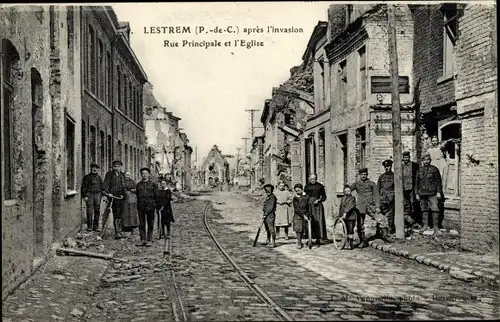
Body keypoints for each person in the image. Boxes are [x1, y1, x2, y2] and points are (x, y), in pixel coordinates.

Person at [350, 168, 392, 247]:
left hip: (370, 206)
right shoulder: (356, 184)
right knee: (360, 224)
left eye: (365, 174)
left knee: (382, 219)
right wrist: (352, 200)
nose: (363, 176)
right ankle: (363, 240)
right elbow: (347, 190)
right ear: (359, 175)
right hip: (360, 206)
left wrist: (377, 206)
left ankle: (385, 237)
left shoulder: (372, 184)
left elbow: (376, 196)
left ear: (367, 175)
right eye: (362, 174)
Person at [415, 153, 443, 236]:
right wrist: (417, 193)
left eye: (428, 160)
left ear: (430, 160)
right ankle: (425, 226)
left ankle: (436, 227)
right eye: (424, 160)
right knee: (424, 209)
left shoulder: (434, 169)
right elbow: (416, 183)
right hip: (422, 193)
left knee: (435, 208)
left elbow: (438, 182)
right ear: (422, 161)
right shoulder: (419, 170)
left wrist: (438, 192)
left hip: (432, 193)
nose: (426, 161)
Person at [102, 160, 127, 239]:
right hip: (113, 197)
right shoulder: (109, 174)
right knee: (115, 213)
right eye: (115, 166)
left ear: (121, 167)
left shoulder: (122, 175)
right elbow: (106, 184)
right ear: (113, 167)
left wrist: (123, 194)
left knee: (121, 214)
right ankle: (117, 232)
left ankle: (120, 231)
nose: (117, 168)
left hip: (121, 197)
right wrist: (108, 193)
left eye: (118, 166)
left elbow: (124, 186)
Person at [136, 167, 158, 247]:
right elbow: (138, 196)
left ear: (148, 174)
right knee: (141, 224)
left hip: (150, 206)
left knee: (150, 223)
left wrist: (156, 206)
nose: (144, 175)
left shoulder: (153, 184)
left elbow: (156, 196)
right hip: (141, 207)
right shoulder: (138, 185)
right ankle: (143, 240)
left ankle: (149, 239)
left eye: (146, 173)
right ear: (141, 175)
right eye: (143, 173)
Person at [304, 174, 327, 246]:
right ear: (309, 179)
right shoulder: (306, 186)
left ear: (316, 179)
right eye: (311, 179)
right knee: (309, 221)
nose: (313, 180)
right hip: (309, 205)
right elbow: (304, 195)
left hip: (317, 206)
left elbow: (324, 197)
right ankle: (309, 237)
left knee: (319, 221)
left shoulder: (320, 186)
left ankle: (319, 238)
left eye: (314, 179)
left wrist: (319, 200)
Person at [81, 163, 103, 232]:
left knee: (97, 210)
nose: (95, 169)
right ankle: (89, 226)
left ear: (98, 169)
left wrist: (101, 195)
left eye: (96, 168)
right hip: (90, 195)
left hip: (97, 195)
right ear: (91, 168)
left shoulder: (99, 178)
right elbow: (83, 187)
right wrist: (84, 195)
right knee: (89, 211)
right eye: (93, 168)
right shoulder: (87, 177)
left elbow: (102, 187)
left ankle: (96, 227)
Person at [402, 151, 421, 228]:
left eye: (407, 157)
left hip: (412, 188)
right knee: (406, 206)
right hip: (404, 189)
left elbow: (418, 177)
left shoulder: (414, 165)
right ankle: (408, 222)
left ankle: (416, 221)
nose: (406, 159)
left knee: (414, 204)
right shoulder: (401, 166)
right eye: (405, 157)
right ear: (403, 158)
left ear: (409, 157)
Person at [378, 159, 396, 234]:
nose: (386, 168)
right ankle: (379, 231)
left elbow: (397, 188)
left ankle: (390, 230)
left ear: (391, 166)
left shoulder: (394, 176)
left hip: (390, 199)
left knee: (390, 216)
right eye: (385, 167)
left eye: (388, 166)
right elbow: (378, 188)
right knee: (380, 216)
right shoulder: (381, 177)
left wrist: (393, 195)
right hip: (382, 199)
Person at [292, 183, 311, 249]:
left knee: (305, 228)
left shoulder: (306, 197)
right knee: (298, 229)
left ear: (302, 190)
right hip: (298, 215)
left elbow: (308, 205)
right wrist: (303, 215)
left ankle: (309, 240)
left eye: (299, 190)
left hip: (306, 214)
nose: (298, 192)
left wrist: (308, 214)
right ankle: (299, 242)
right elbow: (296, 208)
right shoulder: (295, 198)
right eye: (296, 191)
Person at [339, 185, 357, 250]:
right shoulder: (343, 198)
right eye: (345, 191)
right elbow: (341, 207)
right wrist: (340, 216)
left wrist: (345, 213)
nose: (347, 192)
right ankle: (346, 243)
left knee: (350, 230)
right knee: (345, 230)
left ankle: (351, 244)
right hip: (344, 217)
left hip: (351, 217)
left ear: (350, 191)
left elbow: (350, 206)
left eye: (348, 191)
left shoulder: (352, 198)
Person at [262, 183, 277, 248]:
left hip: (270, 215)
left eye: (268, 191)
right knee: (267, 228)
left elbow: (270, 207)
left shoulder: (272, 197)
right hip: (266, 214)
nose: (267, 192)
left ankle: (273, 242)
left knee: (271, 228)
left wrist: (265, 214)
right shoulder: (268, 197)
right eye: (266, 191)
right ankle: (268, 240)